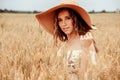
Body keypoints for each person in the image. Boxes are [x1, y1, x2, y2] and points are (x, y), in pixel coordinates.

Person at [35, 0, 98, 80]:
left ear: (76, 19)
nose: (63, 24)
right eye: (60, 20)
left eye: (68, 18)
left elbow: (90, 74)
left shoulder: (86, 41)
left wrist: (85, 49)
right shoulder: (63, 46)